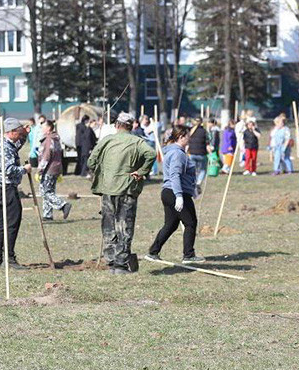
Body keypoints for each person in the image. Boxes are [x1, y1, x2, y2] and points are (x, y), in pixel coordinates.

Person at [87, 112, 156, 275]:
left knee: (108, 225)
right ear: (131, 126)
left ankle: (111, 260)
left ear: (116, 125)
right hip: (127, 189)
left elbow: (91, 161)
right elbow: (151, 154)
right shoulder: (137, 141)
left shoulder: (107, 140)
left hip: (108, 189)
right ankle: (120, 264)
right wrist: (141, 171)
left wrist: (103, 171)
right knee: (125, 225)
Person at [146, 125, 206, 264]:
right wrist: (179, 195)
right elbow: (175, 175)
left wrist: (193, 188)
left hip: (170, 192)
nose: (189, 139)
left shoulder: (174, 152)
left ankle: (153, 252)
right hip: (175, 193)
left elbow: (183, 175)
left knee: (171, 225)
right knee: (190, 223)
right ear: (180, 137)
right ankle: (188, 255)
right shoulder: (178, 154)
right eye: (187, 136)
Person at [0, 118, 31, 268]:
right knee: (12, 222)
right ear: (11, 132)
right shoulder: (4, 147)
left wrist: (25, 134)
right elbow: (9, 170)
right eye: (18, 133)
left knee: (1, 222)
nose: (19, 136)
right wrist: (24, 170)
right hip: (7, 188)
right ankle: (10, 257)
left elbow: (14, 147)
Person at [37, 120, 71, 221]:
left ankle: (63, 205)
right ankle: (47, 215)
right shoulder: (55, 139)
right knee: (49, 191)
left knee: (45, 192)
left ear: (48, 128)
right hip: (55, 168)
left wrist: (40, 169)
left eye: (43, 127)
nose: (42, 129)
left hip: (49, 169)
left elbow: (47, 156)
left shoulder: (48, 139)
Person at [188, 117, 208, 186]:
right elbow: (208, 141)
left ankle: (193, 181)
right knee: (203, 169)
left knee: (193, 170)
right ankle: (199, 182)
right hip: (201, 154)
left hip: (192, 153)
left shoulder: (191, 131)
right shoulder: (204, 131)